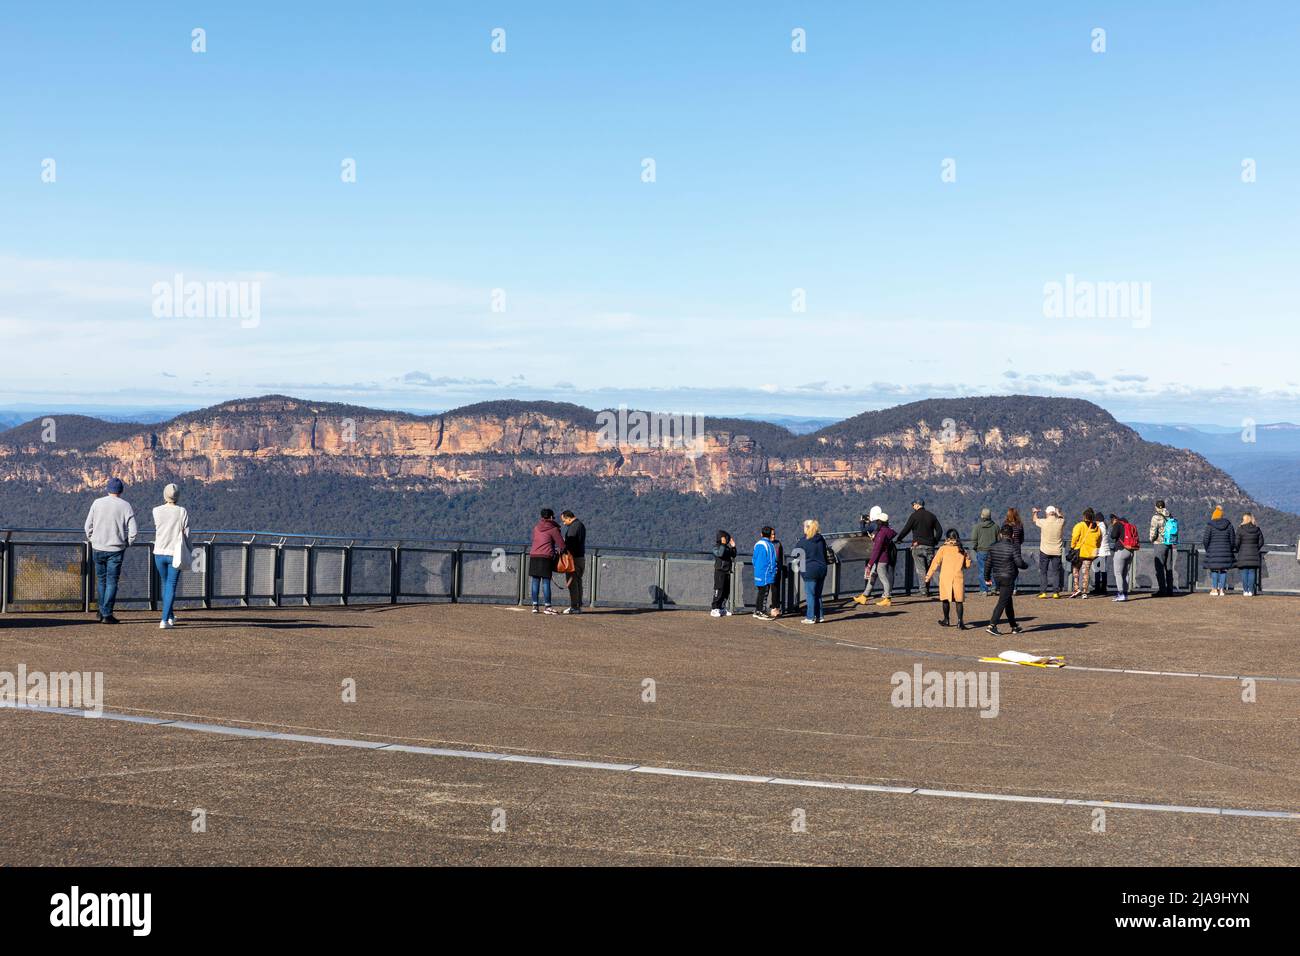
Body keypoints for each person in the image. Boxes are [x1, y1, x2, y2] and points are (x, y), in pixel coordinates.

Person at [84, 477, 138, 624]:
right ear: (121, 491)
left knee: (101, 580)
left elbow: (87, 526)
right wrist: (127, 543)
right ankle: (107, 613)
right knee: (112, 581)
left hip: (98, 547)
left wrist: (93, 539)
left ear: (108, 489)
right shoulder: (126, 506)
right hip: (116, 549)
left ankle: (101, 611)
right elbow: (133, 531)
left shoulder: (97, 503)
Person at [151, 483, 190, 630]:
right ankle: (164, 620)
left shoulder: (156, 511)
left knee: (165, 583)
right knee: (171, 585)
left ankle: (171, 616)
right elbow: (186, 533)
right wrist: (190, 550)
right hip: (175, 553)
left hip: (159, 552)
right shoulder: (182, 511)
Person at [984, 527, 1028, 636]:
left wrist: (986, 577)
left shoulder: (993, 547)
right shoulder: (1013, 547)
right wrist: (1026, 565)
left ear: (1000, 534)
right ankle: (992, 625)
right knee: (1002, 602)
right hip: (1008, 577)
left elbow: (988, 563)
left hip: (997, 577)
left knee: (1008, 601)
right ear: (1012, 535)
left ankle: (1014, 626)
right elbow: (1019, 563)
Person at [895, 499, 943, 599]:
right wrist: (934, 541)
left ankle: (923, 591)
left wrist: (899, 539)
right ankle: (932, 589)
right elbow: (940, 530)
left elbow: (906, 529)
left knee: (921, 570)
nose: (913, 507)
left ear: (917, 505)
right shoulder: (931, 516)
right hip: (930, 546)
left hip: (917, 547)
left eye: (913, 505)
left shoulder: (914, 516)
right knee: (930, 569)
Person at [925, 529, 972, 629]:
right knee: (959, 601)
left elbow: (935, 563)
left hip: (945, 577)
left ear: (947, 538)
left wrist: (928, 576)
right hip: (958, 577)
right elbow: (967, 566)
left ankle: (946, 619)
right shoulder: (962, 549)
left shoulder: (943, 549)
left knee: (945, 599)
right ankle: (960, 622)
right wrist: (967, 557)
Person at [527, 508, 565, 614]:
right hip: (545, 557)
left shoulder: (536, 528)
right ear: (551, 517)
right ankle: (547, 606)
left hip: (534, 555)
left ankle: (535, 606)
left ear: (542, 517)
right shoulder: (553, 529)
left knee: (535, 581)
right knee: (546, 581)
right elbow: (561, 545)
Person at [793, 519, 828, 624]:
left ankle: (810, 617)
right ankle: (819, 616)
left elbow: (795, 554)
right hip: (822, 568)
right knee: (818, 594)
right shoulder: (821, 539)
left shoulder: (803, 541)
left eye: (804, 526)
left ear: (808, 528)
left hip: (809, 570)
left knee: (810, 594)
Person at [1201, 506, 1237, 596]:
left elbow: (1205, 540)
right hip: (1226, 551)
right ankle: (1221, 590)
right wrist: (1230, 549)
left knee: (1214, 570)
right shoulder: (1229, 525)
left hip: (1213, 551)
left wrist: (1208, 549)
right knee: (1223, 570)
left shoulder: (1210, 525)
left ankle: (1214, 589)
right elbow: (1233, 539)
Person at [864, 511, 898, 607]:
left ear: (880, 522)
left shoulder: (882, 533)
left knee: (883, 578)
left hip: (881, 559)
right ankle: (864, 596)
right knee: (873, 576)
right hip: (884, 557)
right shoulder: (887, 531)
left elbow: (877, 549)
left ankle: (887, 597)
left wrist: (870, 563)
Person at [1068, 509, 1103, 599]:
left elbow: (1075, 537)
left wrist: (1072, 546)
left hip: (1079, 552)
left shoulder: (1080, 525)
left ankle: (1076, 589)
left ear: (1084, 516)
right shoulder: (1097, 528)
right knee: (1086, 572)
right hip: (1090, 553)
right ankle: (1084, 592)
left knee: (1076, 570)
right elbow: (1099, 541)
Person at [1032, 505, 1065, 598]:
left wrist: (1035, 512)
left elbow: (1035, 520)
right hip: (1057, 551)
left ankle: (1043, 592)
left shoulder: (1044, 522)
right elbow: (1062, 517)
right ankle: (1056, 592)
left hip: (1045, 550)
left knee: (1043, 571)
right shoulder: (1060, 522)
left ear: (1047, 513)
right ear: (1054, 513)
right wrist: (1058, 512)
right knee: (1056, 572)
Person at [1109, 513, 1140, 602]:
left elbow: (1113, 536)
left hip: (1121, 550)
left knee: (1118, 573)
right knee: (1125, 573)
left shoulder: (1118, 524)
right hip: (1131, 551)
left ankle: (1120, 593)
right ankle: (1125, 594)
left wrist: (1114, 526)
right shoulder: (1130, 526)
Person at [1149, 500, 1178, 596]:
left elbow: (1153, 531)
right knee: (1169, 567)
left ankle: (1162, 590)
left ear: (1156, 507)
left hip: (1159, 543)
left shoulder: (1156, 517)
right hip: (1169, 543)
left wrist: (1151, 539)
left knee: (1159, 567)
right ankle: (1170, 590)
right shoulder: (1169, 515)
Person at [559, 510, 586, 614]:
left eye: (564, 520)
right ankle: (578, 605)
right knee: (578, 581)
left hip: (573, 559)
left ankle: (574, 606)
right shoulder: (581, 525)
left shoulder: (574, 527)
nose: (564, 523)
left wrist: (563, 543)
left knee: (572, 583)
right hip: (580, 557)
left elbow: (571, 543)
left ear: (569, 518)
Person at [970, 508, 1000, 597]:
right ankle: (994, 588)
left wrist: (976, 548)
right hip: (993, 552)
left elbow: (974, 540)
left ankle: (984, 590)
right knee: (994, 570)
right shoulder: (996, 527)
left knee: (982, 571)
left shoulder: (977, 527)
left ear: (982, 516)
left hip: (981, 551)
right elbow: (999, 540)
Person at [1234, 513, 1264, 597]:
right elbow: (1261, 542)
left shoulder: (1240, 529)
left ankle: (1245, 590)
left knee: (1244, 572)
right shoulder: (1257, 529)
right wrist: (1256, 548)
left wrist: (1239, 549)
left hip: (1243, 553)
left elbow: (1236, 542)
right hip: (1254, 553)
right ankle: (1251, 591)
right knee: (1252, 572)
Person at [752, 526, 779, 619]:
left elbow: (754, 559)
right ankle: (761, 611)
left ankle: (757, 610)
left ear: (761, 534)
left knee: (760, 592)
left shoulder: (757, 544)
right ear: (769, 535)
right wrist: (773, 572)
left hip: (758, 572)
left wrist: (756, 568)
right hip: (766, 573)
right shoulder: (770, 545)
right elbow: (772, 561)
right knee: (764, 593)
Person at [710, 530, 737, 617]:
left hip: (727, 571)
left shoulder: (726, 547)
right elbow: (720, 554)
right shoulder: (716, 547)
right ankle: (714, 608)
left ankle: (721, 608)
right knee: (719, 589)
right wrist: (723, 544)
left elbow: (733, 555)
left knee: (726, 591)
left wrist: (733, 547)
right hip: (719, 571)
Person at [1092, 507, 1111, 595]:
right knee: (1102, 570)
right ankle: (1103, 588)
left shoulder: (1100, 528)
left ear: (1097, 520)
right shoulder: (1105, 527)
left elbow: (1096, 538)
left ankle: (1099, 588)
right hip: (1104, 551)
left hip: (1100, 551)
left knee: (1097, 570)